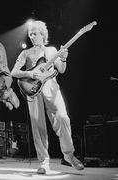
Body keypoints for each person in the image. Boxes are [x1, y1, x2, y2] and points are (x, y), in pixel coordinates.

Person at [11, 20, 84, 174]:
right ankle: (44, 162)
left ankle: (69, 156)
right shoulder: (26, 53)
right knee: (38, 126)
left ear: (42, 34)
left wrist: (63, 58)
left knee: (63, 118)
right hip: (32, 88)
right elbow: (13, 72)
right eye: (30, 34)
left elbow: (62, 70)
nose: (32, 36)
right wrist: (30, 73)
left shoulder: (51, 50)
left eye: (35, 33)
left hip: (51, 86)